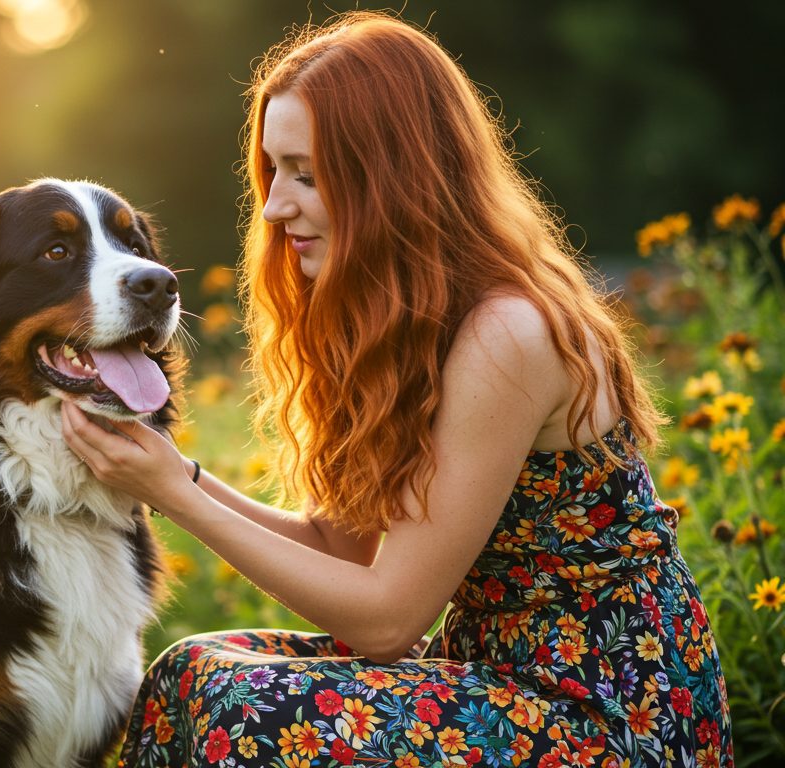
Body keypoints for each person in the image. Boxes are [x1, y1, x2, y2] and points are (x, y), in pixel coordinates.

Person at [60, 11, 732, 767]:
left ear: (393, 177)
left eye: (306, 173)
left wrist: (173, 494)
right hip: (492, 681)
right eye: (272, 171)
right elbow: (339, 550)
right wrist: (171, 472)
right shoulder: (390, 323)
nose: (275, 206)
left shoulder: (507, 333)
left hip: (606, 712)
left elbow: (386, 622)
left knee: (245, 706)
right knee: (188, 670)